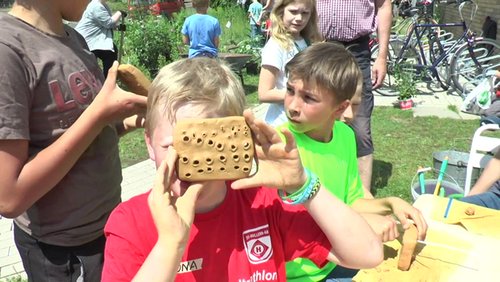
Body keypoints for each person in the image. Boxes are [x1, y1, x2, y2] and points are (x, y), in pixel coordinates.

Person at [101, 57, 384, 281]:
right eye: (170, 146)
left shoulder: (263, 205)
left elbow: (368, 253)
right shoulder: (131, 223)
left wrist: (303, 185)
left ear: (235, 143)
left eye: (205, 147)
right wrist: (170, 244)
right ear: (149, 144)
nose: (186, 164)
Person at [0, 1, 147, 281]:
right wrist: (98, 115)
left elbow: (82, 132)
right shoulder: (7, 51)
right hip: (62, 252)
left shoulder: (74, 39)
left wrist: (128, 121)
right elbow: (8, 198)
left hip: (108, 228)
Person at [279, 42, 427, 281]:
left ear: (340, 108)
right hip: (292, 274)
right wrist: (363, 223)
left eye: (308, 98)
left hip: (333, 263)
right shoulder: (279, 146)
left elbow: (351, 200)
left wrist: (390, 203)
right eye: (290, 90)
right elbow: (283, 223)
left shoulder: (346, 137)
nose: (293, 106)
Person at [317, 0, 393, 198]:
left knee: (359, 126)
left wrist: (382, 56)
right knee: (318, 119)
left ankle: (363, 199)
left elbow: (384, 6)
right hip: (320, 47)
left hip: (357, 49)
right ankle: (321, 192)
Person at [258, 0, 322, 127]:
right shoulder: (276, 46)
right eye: (293, 12)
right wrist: (304, 94)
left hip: (303, 122)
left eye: (305, 13)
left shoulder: (307, 41)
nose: (299, 18)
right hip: (281, 124)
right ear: (281, 11)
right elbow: (264, 93)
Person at [76, 0, 126, 78]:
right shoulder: (96, 6)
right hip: (86, 40)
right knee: (90, 65)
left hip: (95, 39)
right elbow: (109, 23)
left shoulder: (102, 5)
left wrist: (118, 27)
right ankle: (105, 81)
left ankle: (107, 81)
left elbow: (102, 24)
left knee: (111, 54)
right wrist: (119, 12)